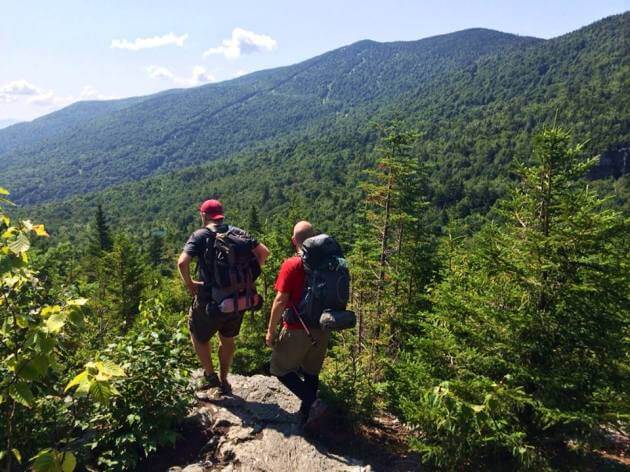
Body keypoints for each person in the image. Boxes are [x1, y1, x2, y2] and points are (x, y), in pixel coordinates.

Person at [178, 199, 269, 393]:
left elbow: (182, 263)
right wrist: (249, 277)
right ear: (221, 215)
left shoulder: (200, 235)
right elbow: (264, 253)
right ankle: (224, 378)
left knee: (198, 334)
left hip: (209, 300)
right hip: (238, 299)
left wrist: (190, 284)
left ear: (203, 215)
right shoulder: (238, 232)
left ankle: (211, 376)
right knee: (228, 340)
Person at [265, 221, 329, 424]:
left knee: (278, 368)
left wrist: (270, 331)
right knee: (311, 371)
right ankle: (306, 416)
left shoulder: (292, 264)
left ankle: (313, 403)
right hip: (323, 326)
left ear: (294, 241)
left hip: (297, 328)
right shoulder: (329, 262)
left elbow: (281, 300)